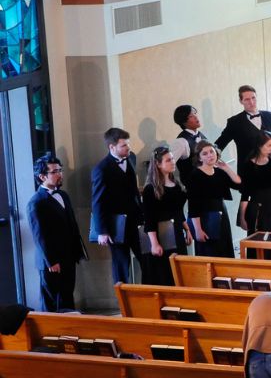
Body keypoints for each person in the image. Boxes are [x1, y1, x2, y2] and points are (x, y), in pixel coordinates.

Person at [28, 153, 87, 312]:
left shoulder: (63, 195)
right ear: (42, 176)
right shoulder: (36, 202)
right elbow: (40, 236)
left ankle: (69, 333)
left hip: (68, 257)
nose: (60, 174)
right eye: (54, 172)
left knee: (67, 296)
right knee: (52, 302)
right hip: (51, 262)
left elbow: (71, 226)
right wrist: (51, 261)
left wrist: (77, 251)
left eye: (60, 170)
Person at [89, 127, 143, 285]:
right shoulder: (101, 169)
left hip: (135, 220)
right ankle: (124, 304)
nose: (128, 148)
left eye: (128, 144)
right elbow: (97, 202)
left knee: (146, 258)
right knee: (121, 265)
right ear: (111, 147)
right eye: (124, 146)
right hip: (117, 225)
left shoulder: (131, 158)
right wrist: (102, 231)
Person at [141, 146, 192, 286]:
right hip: (161, 234)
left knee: (179, 271)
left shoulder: (176, 184)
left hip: (176, 231)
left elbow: (178, 211)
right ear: (158, 164)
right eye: (168, 160)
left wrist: (187, 229)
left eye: (173, 159)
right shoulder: (150, 189)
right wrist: (154, 244)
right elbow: (149, 219)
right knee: (164, 273)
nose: (173, 162)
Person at [185, 141, 240, 258]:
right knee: (210, 251)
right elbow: (193, 206)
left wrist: (226, 168)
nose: (210, 155)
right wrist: (198, 230)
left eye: (211, 151)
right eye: (205, 154)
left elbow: (238, 184)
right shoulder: (194, 175)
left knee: (225, 248)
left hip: (221, 214)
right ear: (199, 158)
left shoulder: (219, 172)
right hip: (205, 217)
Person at [215, 85, 271, 164]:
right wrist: (208, 156)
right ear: (241, 101)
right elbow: (220, 143)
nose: (251, 102)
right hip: (249, 169)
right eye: (247, 99)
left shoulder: (270, 116)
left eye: (253, 98)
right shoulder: (234, 122)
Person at [238, 131, 271, 233]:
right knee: (257, 238)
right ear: (259, 146)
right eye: (268, 145)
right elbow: (245, 193)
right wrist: (242, 217)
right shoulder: (249, 165)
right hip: (257, 206)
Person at [169, 104, 207, 178]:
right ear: (184, 121)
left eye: (195, 113)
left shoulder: (201, 135)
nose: (196, 117)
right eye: (191, 116)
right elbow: (167, 165)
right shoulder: (181, 141)